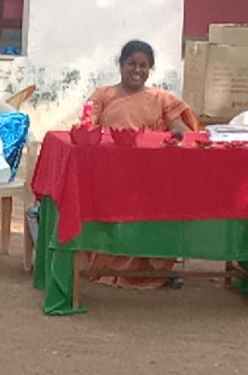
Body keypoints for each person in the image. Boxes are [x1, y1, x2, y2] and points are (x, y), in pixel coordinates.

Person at [84, 39, 200, 288]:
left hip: (151, 174)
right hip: (112, 173)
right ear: (120, 65)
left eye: (143, 65)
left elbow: (181, 128)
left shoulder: (161, 98)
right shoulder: (103, 95)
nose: (137, 70)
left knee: (167, 204)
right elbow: (88, 126)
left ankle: (152, 269)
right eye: (131, 64)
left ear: (150, 69)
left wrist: (184, 136)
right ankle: (108, 267)